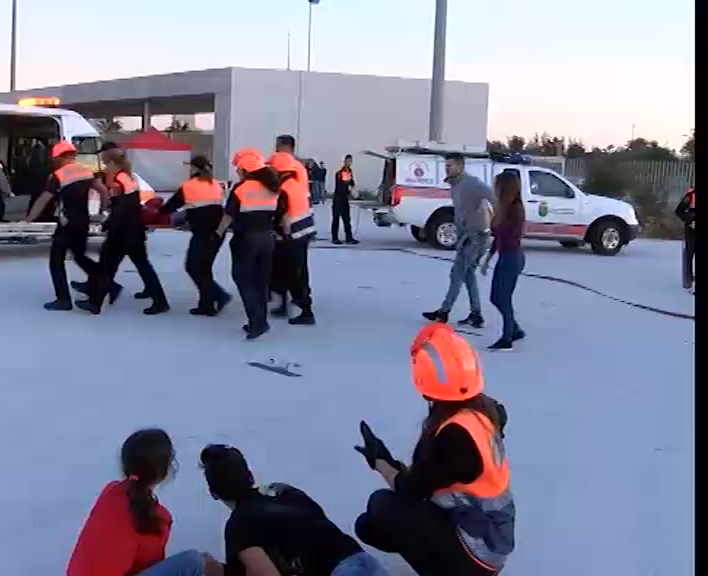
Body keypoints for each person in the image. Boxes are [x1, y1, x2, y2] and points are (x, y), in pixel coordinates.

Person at [352, 323, 514, 576]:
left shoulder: (453, 436)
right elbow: (432, 477)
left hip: (477, 551)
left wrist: (380, 461)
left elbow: (409, 490)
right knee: (383, 514)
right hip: (493, 536)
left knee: (379, 509)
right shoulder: (487, 411)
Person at [198, 444, 388, 576]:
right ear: (250, 476)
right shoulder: (285, 490)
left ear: (213, 493)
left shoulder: (239, 524)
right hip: (364, 562)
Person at [67, 429, 223, 576]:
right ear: (166, 470)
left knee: (199, 562)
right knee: (193, 562)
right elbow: (149, 566)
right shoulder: (155, 517)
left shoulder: (110, 492)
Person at [77, 148, 170, 315]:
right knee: (141, 266)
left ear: (113, 163)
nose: (105, 167)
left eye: (106, 163)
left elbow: (122, 207)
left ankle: (95, 302)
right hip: (133, 230)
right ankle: (160, 301)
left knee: (106, 266)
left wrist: (106, 224)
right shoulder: (128, 177)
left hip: (121, 232)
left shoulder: (119, 181)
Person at [23, 140, 105, 311]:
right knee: (80, 256)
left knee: (56, 261)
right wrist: (104, 208)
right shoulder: (87, 172)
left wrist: (30, 218)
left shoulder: (58, 176)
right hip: (83, 220)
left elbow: (43, 199)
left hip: (67, 222)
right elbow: (103, 191)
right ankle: (106, 283)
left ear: (59, 158)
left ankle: (63, 300)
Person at [215, 149, 284, 340]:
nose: (237, 173)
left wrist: (217, 233)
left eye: (239, 170)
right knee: (260, 282)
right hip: (268, 238)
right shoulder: (273, 188)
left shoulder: (242, 188)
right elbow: (280, 214)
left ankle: (257, 322)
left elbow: (228, 215)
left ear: (247, 170)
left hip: (247, 239)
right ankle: (259, 320)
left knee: (243, 279)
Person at [422, 154, 495, 327]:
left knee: (457, 274)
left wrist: (494, 222)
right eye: (446, 166)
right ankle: (476, 314)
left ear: (460, 166)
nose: (447, 169)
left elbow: (493, 198)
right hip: (465, 235)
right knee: (467, 274)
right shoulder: (455, 185)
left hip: (476, 236)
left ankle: (444, 312)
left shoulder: (471, 183)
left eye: (451, 166)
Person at [159, 155, 232, 316]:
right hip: (218, 233)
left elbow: (168, 208)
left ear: (195, 168)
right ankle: (207, 304)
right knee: (204, 269)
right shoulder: (215, 185)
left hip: (203, 233)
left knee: (193, 267)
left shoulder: (189, 186)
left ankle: (219, 296)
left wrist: (156, 208)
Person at [267, 152, 317, 325]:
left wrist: (279, 233)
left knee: (294, 275)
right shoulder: (297, 183)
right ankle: (286, 306)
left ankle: (306, 312)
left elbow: (284, 216)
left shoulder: (284, 188)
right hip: (303, 233)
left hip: (292, 236)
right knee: (290, 273)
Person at [480, 171, 526, 350]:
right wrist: (488, 258)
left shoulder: (515, 209)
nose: (494, 188)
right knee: (497, 298)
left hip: (512, 258)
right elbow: (497, 236)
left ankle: (508, 338)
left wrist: (494, 222)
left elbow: (507, 236)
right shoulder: (504, 208)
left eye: (497, 185)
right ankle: (514, 329)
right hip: (507, 256)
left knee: (502, 298)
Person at [332, 155, 359, 245]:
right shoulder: (339, 173)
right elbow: (340, 186)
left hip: (345, 199)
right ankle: (334, 238)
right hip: (338, 198)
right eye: (348, 161)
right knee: (336, 219)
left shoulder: (349, 172)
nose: (349, 163)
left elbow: (351, 182)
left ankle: (349, 237)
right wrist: (349, 191)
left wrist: (352, 187)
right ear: (344, 162)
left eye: (350, 161)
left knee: (347, 219)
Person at [675, 187, 695, 292]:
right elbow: (679, 211)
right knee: (689, 255)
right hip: (692, 230)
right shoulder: (691, 195)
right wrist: (689, 218)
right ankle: (688, 280)